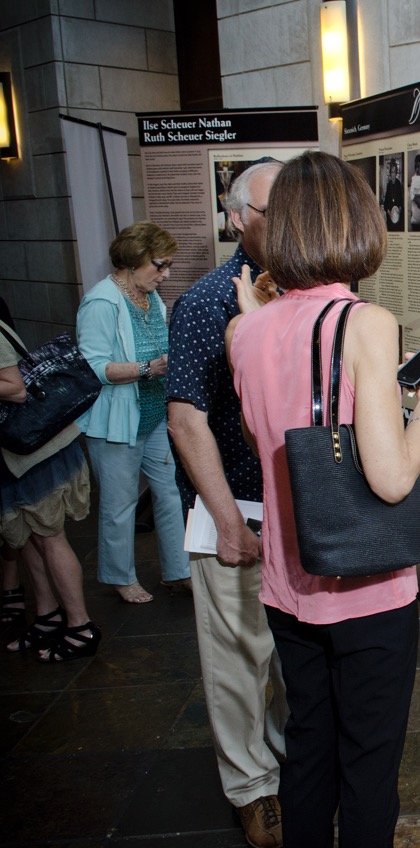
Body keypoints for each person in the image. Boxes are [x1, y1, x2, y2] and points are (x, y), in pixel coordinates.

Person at [227, 150, 420, 847]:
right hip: (366, 589)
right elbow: (390, 478)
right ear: (355, 224)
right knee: (370, 762)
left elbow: (265, 435)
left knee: (309, 742)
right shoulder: (367, 325)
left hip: (288, 582)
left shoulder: (246, 330)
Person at [167, 159, 287, 848]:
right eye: (275, 210)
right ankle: (252, 790)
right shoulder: (208, 302)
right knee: (239, 661)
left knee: (290, 659)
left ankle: (281, 761)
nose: (291, 222)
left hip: (300, 512)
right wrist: (225, 520)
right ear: (238, 217)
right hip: (236, 508)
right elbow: (187, 421)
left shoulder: (309, 292)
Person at [76, 222, 190, 604]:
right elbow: (92, 368)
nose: (166, 274)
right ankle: (120, 577)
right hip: (117, 422)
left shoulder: (149, 296)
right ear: (134, 259)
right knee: (119, 503)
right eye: (160, 265)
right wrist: (146, 368)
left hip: (155, 413)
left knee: (170, 493)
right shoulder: (101, 301)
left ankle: (178, 571)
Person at [1, 319, 97, 661]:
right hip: (11, 454)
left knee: (50, 538)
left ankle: (80, 626)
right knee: (25, 539)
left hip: (33, 450)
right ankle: (47, 615)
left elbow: (14, 389)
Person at [382, 157, 404, 230]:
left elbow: (401, 200)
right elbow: (386, 202)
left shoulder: (399, 184)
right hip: (390, 214)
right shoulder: (388, 185)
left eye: (394, 172)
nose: (393, 174)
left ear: (396, 173)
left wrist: (399, 209)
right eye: (392, 172)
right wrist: (388, 211)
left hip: (397, 213)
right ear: (390, 174)